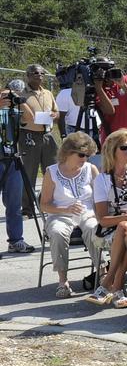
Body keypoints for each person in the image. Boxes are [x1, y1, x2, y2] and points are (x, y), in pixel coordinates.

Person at [87, 129, 127, 308]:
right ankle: (117, 287)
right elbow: (103, 219)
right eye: (124, 148)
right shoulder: (102, 180)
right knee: (125, 227)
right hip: (112, 228)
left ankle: (109, 282)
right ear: (113, 150)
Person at [39, 131, 99, 298]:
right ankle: (62, 280)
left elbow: (101, 198)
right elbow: (43, 205)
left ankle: (102, 272)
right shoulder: (51, 172)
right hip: (60, 215)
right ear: (68, 152)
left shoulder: (90, 169)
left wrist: (97, 214)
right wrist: (66, 209)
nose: (85, 158)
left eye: (88, 155)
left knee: (93, 227)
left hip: (88, 214)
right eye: (81, 154)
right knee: (57, 232)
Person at [19, 64, 58, 216]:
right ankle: (28, 209)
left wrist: (55, 115)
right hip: (28, 135)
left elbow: (56, 112)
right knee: (29, 173)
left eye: (42, 73)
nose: (40, 75)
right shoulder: (21, 94)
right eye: (36, 72)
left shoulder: (48, 93)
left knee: (52, 171)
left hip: (48, 136)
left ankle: (46, 204)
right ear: (28, 75)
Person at [1, 82, 35, 253]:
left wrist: (19, 100)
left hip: (12, 159)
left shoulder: (12, 110)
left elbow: (29, 118)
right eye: (5, 95)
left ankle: (16, 240)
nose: (8, 98)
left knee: (14, 205)